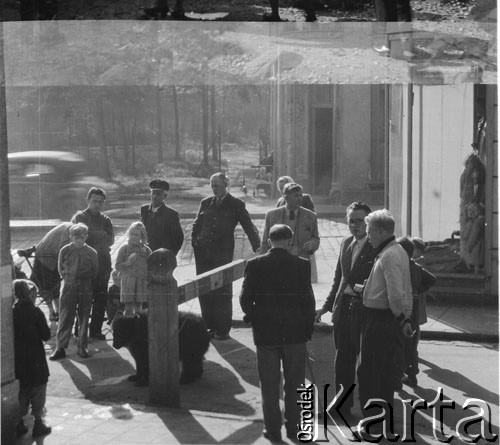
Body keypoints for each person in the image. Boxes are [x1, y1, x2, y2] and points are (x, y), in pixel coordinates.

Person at [240, 224, 315, 443]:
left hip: (266, 334)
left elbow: (245, 301)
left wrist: (256, 316)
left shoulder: (255, 264)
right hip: (294, 335)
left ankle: (273, 430)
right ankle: (294, 428)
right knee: (295, 384)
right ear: (290, 241)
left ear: (269, 241)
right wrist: (306, 329)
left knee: (269, 385)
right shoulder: (302, 265)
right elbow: (308, 302)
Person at [315, 201, 377, 417]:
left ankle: (371, 410)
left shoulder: (376, 246)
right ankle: (342, 404)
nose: (355, 225)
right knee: (343, 361)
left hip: (365, 311)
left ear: (369, 222)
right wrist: (325, 307)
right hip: (344, 310)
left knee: (367, 363)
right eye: (352, 221)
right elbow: (339, 279)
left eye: (360, 221)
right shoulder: (346, 242)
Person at [357, 210, 413, 438]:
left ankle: (372, 426)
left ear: (381, 231)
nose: (368, 236)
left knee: (369, 372)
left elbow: (395, 294)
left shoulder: (389, 254)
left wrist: (402, 318)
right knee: (385, 373)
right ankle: (384, 423)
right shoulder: (396, 250)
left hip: (380, 320)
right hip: (387, 318)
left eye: (370, 232)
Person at [192, 172, 261, 340]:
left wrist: (257, 246)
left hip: (222, 255)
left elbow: (248, 225)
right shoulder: (206, 203)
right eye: (212, 186)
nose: (214, 189)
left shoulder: (236, 204)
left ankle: (223, 329)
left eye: (217, 185)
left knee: (222, 291)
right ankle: (209, 327)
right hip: (203, 255)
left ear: (225, 185)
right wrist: (196, 242)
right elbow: (196, 225)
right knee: (204, 290)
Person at [50, 223, 98, 360]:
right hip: (69, 285)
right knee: (65, 316)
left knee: (83, 317)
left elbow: (95, 271)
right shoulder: (64, 251)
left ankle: (82, 346)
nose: (79, 240)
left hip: (85, 285)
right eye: (76, 237)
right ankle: (60, 347)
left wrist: (85, 280)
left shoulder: (92, 252)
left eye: (82, 237)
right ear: (71, 237)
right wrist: (67, 279)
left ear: (86, 237)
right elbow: (60, 268)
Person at [71, 187, 114, 340]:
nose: (97, 204)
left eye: (100, 202)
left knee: (101, 298)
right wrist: (100, 235)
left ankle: (96, 330)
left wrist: (93, 236)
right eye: (94, 201)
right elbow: (79, 238)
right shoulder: (80, 217)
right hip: (84, 265)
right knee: (83, 298)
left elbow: (111, 240)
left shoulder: (106, 220)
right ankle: (80, 330)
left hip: (103, 264)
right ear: (87, 200)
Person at [12, 279, 52, 438]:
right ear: (30, 293)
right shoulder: (36, 312)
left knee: (22, 392)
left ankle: (19, 423)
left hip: (19, 359)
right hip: (35, 358)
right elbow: (46, 335)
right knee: (38, 391)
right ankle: (38, 424)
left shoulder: (11, 312)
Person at [396, 236, 436, 387]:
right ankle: (412, 374)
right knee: (411, 343)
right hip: (414, 303)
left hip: (405, 304)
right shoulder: (416, 267)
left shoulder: (401, 266)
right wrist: (419, 290)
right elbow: (431, 279)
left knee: (398, 342)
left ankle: (398, 376)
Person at [21, 221, 72, 321]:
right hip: (48, 258)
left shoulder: (66, 225)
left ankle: (56, 311)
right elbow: (64, 246)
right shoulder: (71, 229)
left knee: (51, 286)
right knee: (48, 287)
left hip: (44, 253)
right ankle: (53, 312)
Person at [260, 183, 319, 260]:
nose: (300, 199)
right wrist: (262, 261)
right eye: (296, 196)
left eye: (301, 195)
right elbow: (265, 242)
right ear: (286, 197)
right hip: (277, 261)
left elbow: (316, 238)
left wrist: (312, 244)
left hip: (301, 262)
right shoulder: (272, 215)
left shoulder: (311, 216)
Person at [115, 222, 152, 315]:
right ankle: (128, 326)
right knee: (128, 308)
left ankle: (137, 328)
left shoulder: (146, 250)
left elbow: (151, 266)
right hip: (128, 282)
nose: (134, 237)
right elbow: (117, 266)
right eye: (131, 234)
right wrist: (127, 263)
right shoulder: (124, 248)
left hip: (141, 281)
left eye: (137, 235)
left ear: (142, 236)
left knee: (139, 309)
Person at [140, 179, 184, 255]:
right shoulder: (144, 210)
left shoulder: (171, 214)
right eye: (153, 193)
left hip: (161, 258)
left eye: (158, 194)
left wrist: (169, 255)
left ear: (165, 196)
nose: (155, 196)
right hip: (145, 256)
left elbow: (179, 238)